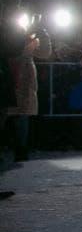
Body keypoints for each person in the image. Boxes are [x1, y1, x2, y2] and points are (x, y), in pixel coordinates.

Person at [4, 20, 51, 162]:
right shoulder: (8, 37)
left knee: (22, 117)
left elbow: (44, 53)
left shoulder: (30, 38)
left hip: (24, 82)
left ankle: (21, 149)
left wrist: (43, 34)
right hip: (7, 76)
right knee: (7, 115)